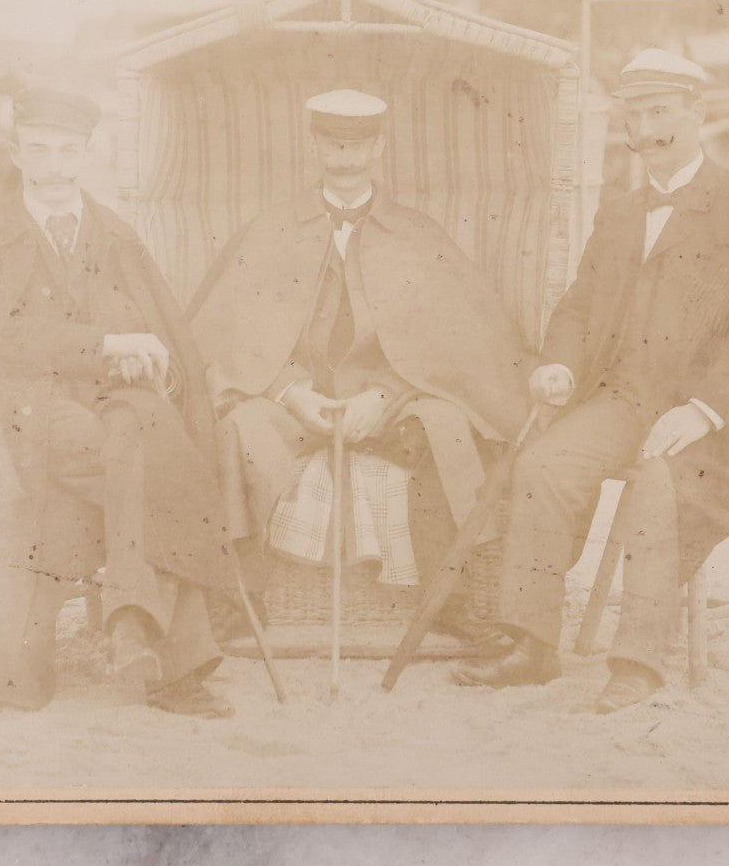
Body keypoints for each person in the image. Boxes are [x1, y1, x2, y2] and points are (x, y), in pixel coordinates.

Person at [454, 49, 729, 713]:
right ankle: (532, 645)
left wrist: (702, 410)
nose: (646, 130)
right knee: (543, 465)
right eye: (634, 116)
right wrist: (559, 363)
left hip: (712, 420)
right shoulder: (618, 212)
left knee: (657, 486)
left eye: (660, 112)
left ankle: (639, 661)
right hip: (623, 400)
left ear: (697, 113)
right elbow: (579, 304)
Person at [0, 87, 234, 718]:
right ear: (16, 152)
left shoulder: (115, 235)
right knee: (144, 459)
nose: (54, 167)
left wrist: (136, 351)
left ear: (89, 152)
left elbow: (146, 320)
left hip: (109, 398)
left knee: (155, 437)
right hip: (21, 410)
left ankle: (135, 626)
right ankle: (141, 626)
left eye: (68, 151)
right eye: (39, 150)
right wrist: (106, 344)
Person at [188, 89, 531, 635]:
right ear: (313, 146)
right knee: (239, 427)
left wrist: (386, 394)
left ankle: (448, 598)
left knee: (445, 425)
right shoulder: (272, 228)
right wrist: (289, 393)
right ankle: (241, 598)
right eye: (333, 144)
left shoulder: (417, 233)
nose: (345, 158)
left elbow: (455, 340)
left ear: (380, 147)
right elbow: (228, 333)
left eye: (359, 145)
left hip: (391, 402)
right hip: (295, 401)